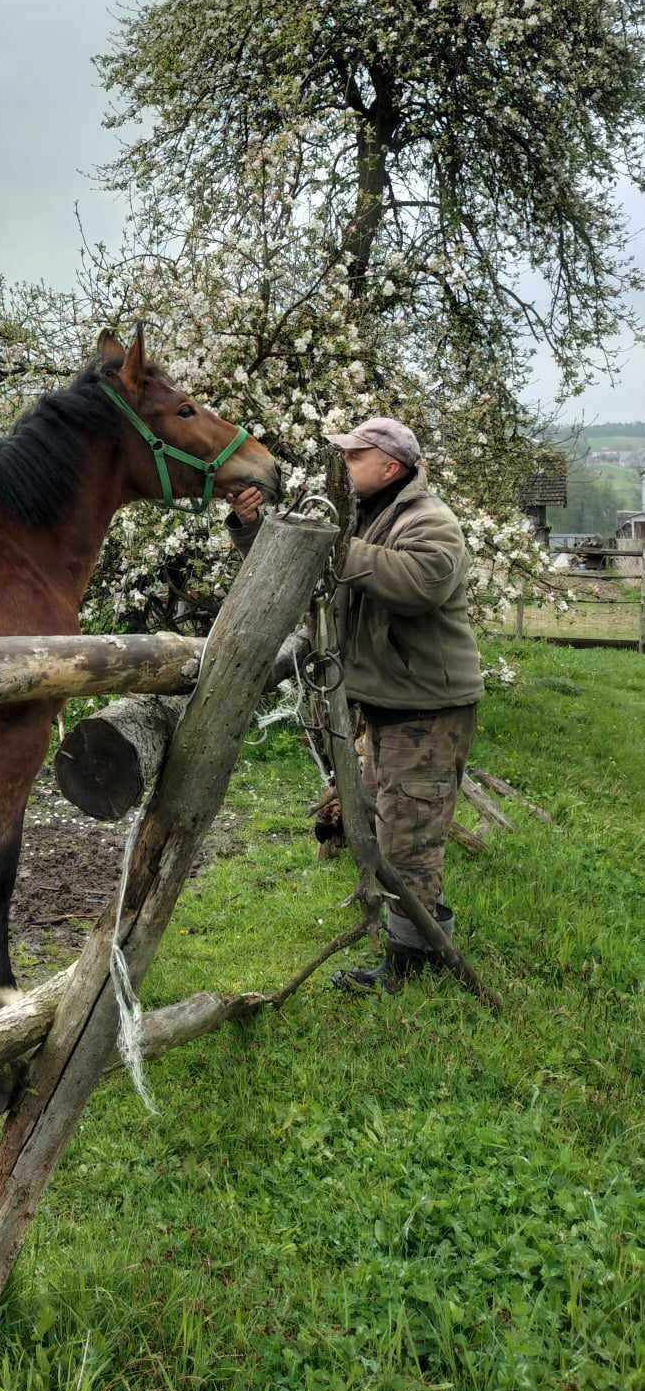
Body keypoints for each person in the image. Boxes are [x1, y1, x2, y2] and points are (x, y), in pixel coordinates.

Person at [228, 416, 481, 992]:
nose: (343, 465)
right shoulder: (365, 519)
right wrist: (253, 528)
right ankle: (410, 937)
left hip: (427, 710)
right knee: (379, 818)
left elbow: (419, 583)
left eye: (354, 456)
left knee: (410, 838)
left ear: (389, 467)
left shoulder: (429, 521)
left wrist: (334, 546)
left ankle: (409, 970)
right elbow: (299, 571)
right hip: (392, 704)